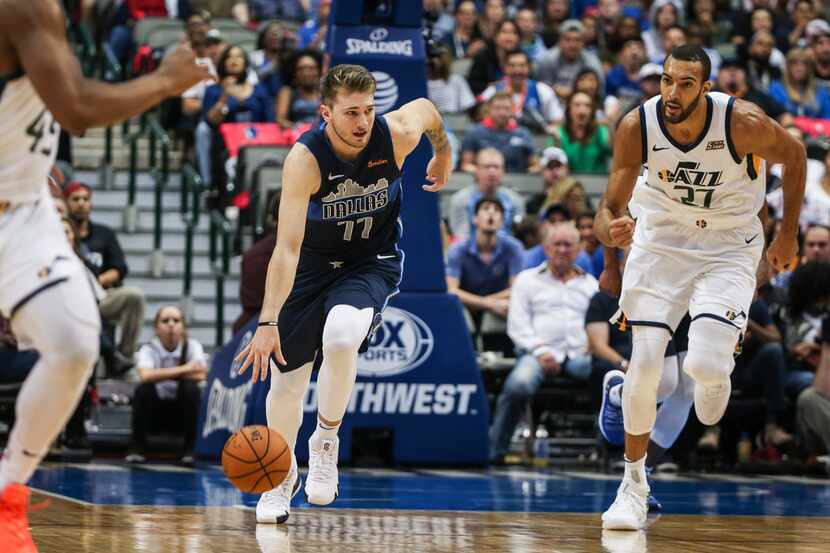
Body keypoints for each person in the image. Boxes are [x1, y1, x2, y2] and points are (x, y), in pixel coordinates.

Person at [0, 1, 209, 548]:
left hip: (21, 207)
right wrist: (166, 81)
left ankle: (7, 495)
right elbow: (77, 109)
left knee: (73, 343)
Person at [594, 44, 805, 530]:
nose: (672, 91)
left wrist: (787, 233)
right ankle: (633, 486)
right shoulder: (637, 126)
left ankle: (718, 365)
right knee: (646, 364)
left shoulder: (743, 122)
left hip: (730, 244)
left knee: (704, 369)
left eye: (685, 83)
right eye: (667, 80)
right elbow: (609, 206)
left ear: (705, 88)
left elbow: (794, 155)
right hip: (661, 242)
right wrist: (610, 241)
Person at [234, 65, 452, 524]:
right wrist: (268, 322)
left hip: (368, 262)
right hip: (310, 267)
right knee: (288, 384)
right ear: (325, 113)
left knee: (341, 337)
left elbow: (429, 112)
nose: (362, 122)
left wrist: (443, 152)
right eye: (351, 112)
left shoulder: (394, 135)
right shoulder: (305, 159)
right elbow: (287, 247)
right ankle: (279, 476)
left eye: (369, 111)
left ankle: (326, 441)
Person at [488, 222, 598, 463]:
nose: (562, 250)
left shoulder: (591, 285)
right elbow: (517, 324)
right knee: (517, 385)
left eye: (568, 245)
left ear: (578, 249)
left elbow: (598, 323)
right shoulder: (527, 280)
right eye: (556, 244)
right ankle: (495, 451)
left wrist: (594, 344)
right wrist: (540, 351)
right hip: (535, 354)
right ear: (546, 248)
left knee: (608, 378)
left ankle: (610, 451)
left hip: (580, 354)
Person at [126, 306, 208, 466]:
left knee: (191, 389)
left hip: (180, 414)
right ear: (156, 328)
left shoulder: (192, 346)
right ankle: (136, 449)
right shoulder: (148, 348)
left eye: (176, 320)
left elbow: (201, 374)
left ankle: (189, 450)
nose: (171, 324)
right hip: (155, 414)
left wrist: (160, 374)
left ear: (183, 326)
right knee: (143, 390)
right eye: (165, 321)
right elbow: (145, 376)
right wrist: (185, 369)